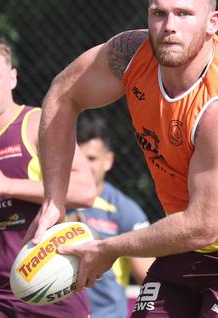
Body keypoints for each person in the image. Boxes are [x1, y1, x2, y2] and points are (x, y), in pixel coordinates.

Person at [26, 0, 218, 318]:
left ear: (212, 23)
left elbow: (203, 226)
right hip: (185, 244)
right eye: (159, 13)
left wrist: (110, 248)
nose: (169, 26)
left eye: (184, 14)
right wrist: (54, 199)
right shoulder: (131, 55)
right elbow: (62, 94)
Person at [0, 32, 96, 317]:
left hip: (46, 280)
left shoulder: (37, 124)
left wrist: (7, 185)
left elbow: (86, 190)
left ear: (12, 78)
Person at [68, 114, 155, 318]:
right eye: (77, 158)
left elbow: (149, 276)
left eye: (91, 158)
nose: (83, 166)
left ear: (108, 160)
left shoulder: (124, 210)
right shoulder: (51, 204)